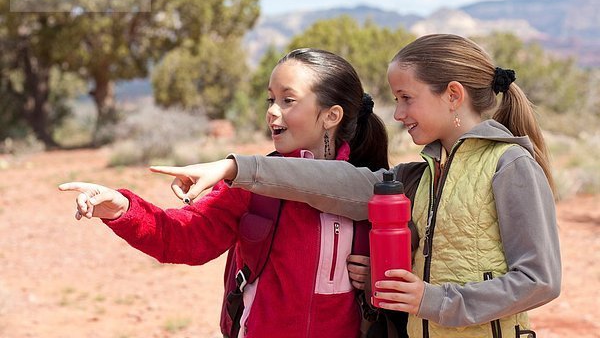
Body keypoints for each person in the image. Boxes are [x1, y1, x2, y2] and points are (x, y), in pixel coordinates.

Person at [165, 34, 561, 338]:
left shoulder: (510, 165)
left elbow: (539, 280)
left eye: (407, 98)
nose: (398, 113)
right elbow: (331, 182)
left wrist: (432, 300)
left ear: (453, 95)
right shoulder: (417, 175)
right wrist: (234, 168)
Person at [59, 48, 390, 338]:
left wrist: (378, 274)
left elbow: (414, 266)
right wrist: (122, 209)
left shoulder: (373, 187)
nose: (272, 111)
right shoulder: (250, 186)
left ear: (331, 115)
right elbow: (183, 238)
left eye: (288, 100)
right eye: (270, 99)